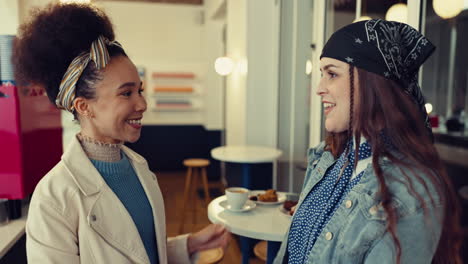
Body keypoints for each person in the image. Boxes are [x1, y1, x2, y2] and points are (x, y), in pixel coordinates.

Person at [13, 3, 229, 264]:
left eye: (140, 90)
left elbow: (139, 253)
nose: (142, 104)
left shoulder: (139, 169)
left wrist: (189, 245)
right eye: (126, 93)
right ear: (84, 106)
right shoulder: (53, 198)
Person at [273, 19, 461, 264]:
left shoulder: (413, 191)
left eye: (332, 74)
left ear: (372, 81)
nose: (319, 88)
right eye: (321, 74)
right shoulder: (328, 157)